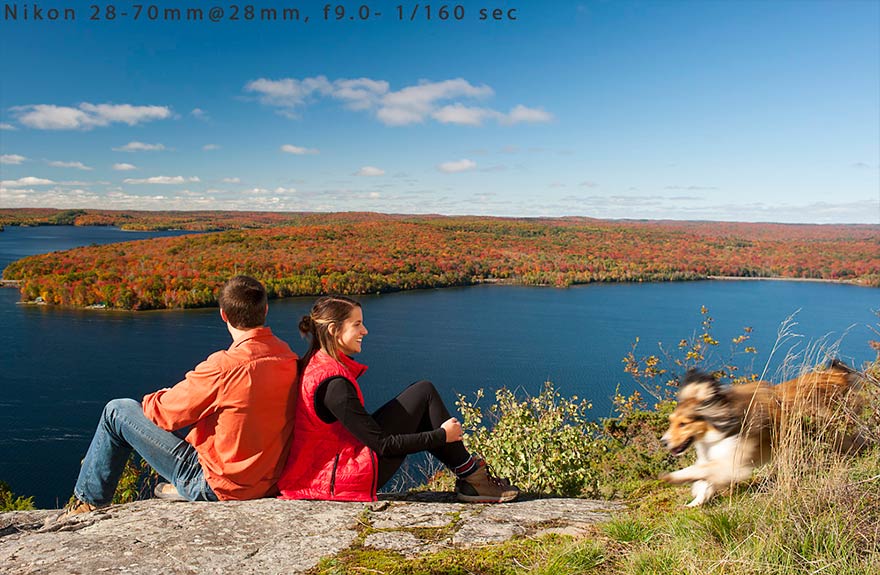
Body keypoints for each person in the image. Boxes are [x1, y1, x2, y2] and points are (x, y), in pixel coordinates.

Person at [57, 275, 299, 519]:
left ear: (223, 315)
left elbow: (164, 414)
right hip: (267, 482)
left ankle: (88, 503)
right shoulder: (288, 357)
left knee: (117, 411)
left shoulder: (223, 367)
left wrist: (160, 395)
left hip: (220, 486)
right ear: (265, 310)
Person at [277, 295, 519, 503]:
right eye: (357, 324)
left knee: (423, 393)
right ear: (333, 330)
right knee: (424, 395)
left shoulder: (318, 363)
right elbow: (383, 445)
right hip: (342, 477)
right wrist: (442, 435)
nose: (365, 331)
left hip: (332, 466)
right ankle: (475, 479)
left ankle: (472, 477)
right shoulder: (335, 386)